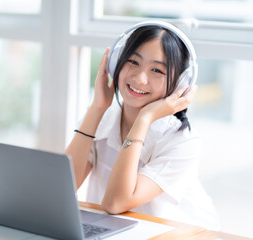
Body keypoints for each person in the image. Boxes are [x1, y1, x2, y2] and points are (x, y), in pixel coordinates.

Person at [65, 22, 219, 229]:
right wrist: (97, 107)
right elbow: (63, 188)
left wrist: (144, 119)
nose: (140, 78)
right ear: (115, 63)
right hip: (117, 232)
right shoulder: (104, 117)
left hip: (180, 234)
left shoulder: (182, 140)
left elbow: (115, 202)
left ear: (181, 83)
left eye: (157, 70)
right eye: (133, 62)